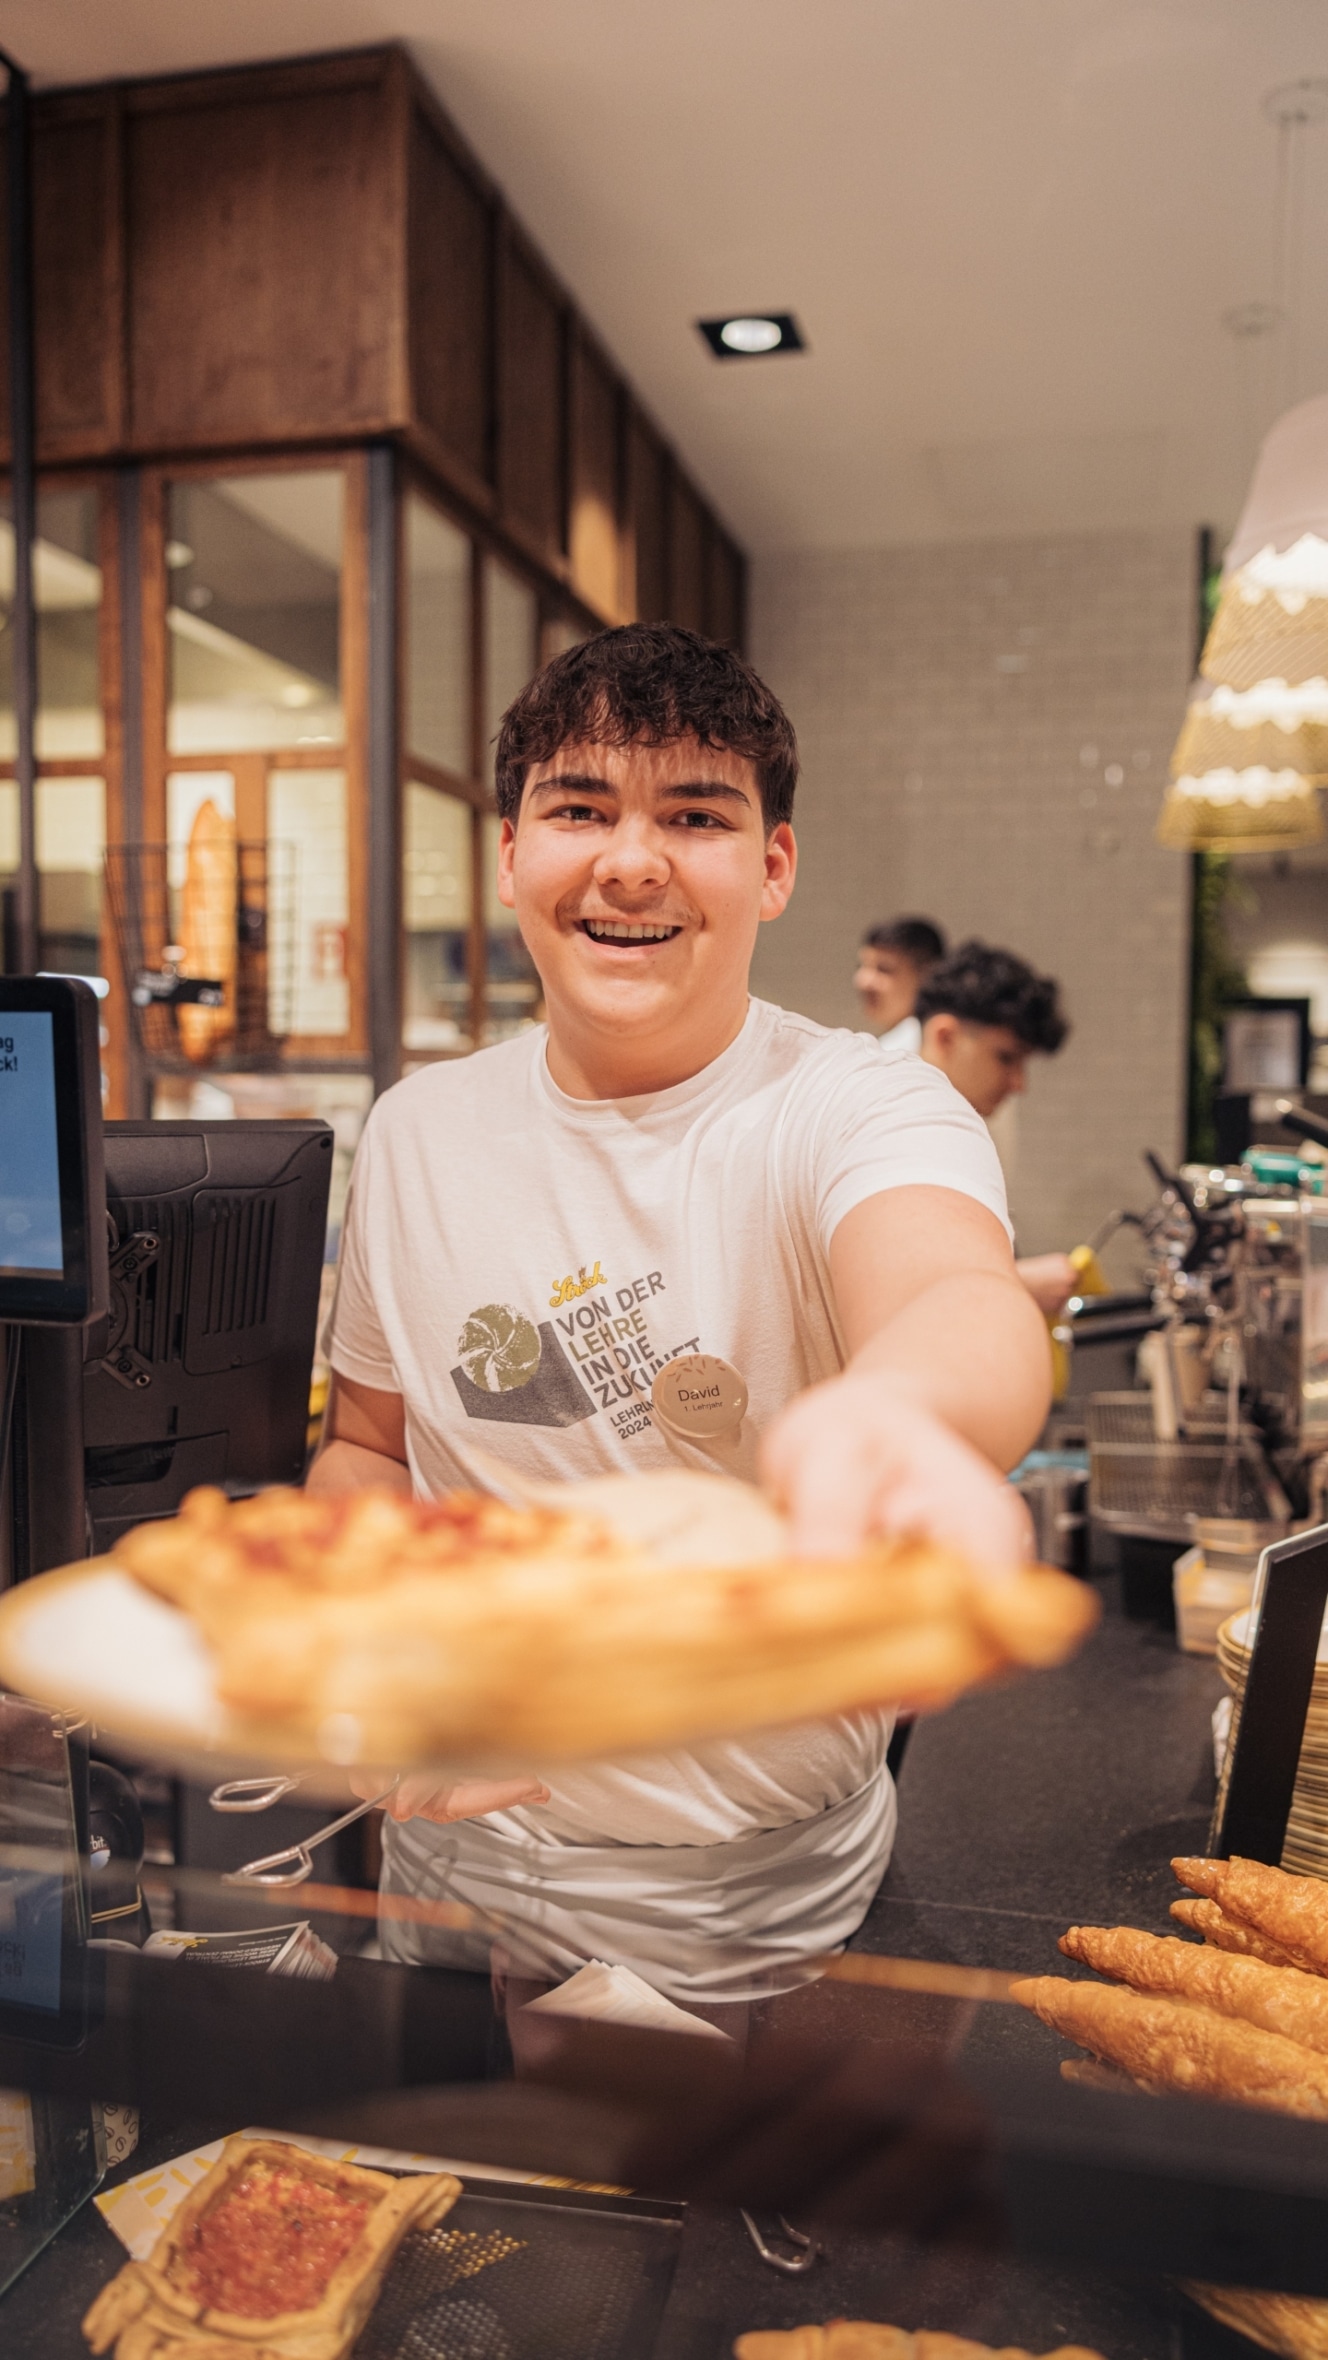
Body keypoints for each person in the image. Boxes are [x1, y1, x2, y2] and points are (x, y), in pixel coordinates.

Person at [312, 625, 1050, 2004]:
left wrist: (899, 1413)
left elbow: (955, 1290)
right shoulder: (418, 1130)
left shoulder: (855, 1103)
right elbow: (367, 1446)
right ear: (510, 854)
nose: (631, 861)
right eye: (579, 809)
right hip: (446, 1877)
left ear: (773, 866)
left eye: (695, 817)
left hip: (756, 1907)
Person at [915, 940, 1078, 1318]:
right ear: (944, 1037)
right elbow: (886, 1285)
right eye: (1005, 1058)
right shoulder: (879, 1122)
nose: (1019, 1084)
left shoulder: (981, 1113)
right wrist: (1019, 1283)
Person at [853, 916, 946, 1053]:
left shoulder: (922, 1046)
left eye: (884, 969)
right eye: (861, 966)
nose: (863, 981)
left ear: (927, 975)